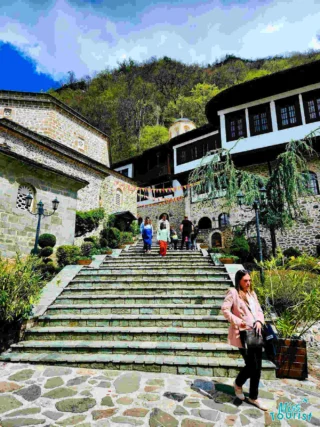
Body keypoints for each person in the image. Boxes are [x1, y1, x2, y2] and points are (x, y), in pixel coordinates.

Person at [221, 269, 267, 411]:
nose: (248, 283)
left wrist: (259, 321)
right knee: (252, 365)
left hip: (256, 333)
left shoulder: (252, 294)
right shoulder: (233, 293)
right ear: (239, 281)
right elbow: (225, 309)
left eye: (249, 280)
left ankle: (253, 397)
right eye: (245, 281)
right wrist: (237, 321)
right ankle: (238, 383)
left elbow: (259, 310)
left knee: (257, 367)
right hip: (242, 334)